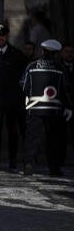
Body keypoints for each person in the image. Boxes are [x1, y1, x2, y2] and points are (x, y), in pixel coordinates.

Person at [21, 39, 72, 176]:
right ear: (56, 53)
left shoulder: (31, 66)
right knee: (53, 139)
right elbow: (65, 90)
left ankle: (29, 163)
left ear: (42, 51)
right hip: (54, 109)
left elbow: (23, 85)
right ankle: (54, 167)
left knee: (32, 137)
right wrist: (68, 107)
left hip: (35, 107)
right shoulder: (61, 68)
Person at [0, 21, 28, 170]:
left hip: (13, 99)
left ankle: (13, 160)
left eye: (3, 35)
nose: (0, 38)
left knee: (12, 130)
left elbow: (24, 77)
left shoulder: (16, 54)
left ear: (7, 36)